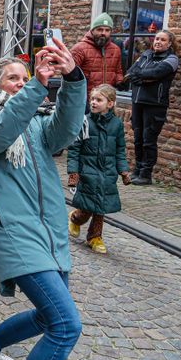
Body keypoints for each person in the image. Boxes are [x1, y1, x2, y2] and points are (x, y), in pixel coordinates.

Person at [0, 40, 86, 360]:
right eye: (13, 78)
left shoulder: (39, 122)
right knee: (65, 325)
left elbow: (69, 129)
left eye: (25, 77)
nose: (21, 82)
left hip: (51, 232)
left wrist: (73, 77)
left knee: (48, 318)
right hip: (13, 232)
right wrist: (36, 87)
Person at [67, 84, 130, 254]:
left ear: (110, 104)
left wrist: (123, 170)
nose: (93, 102)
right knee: (87, 208)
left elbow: (120, 150)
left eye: (98, 100)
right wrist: (73, 172)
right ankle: (75, 218)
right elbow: (74, 149)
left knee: (100, 207)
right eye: (92, 99)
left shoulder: (116, 125)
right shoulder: (85, 122)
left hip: (107, 173)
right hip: (87, 171)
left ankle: (95, 237)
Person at [126, 30, 180, 185]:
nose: (158, 42)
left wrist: (142, 76)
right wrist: (144, 77)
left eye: (163, 40)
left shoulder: (172, 59)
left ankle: (146, 174)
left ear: (169, 43)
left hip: (155, 105)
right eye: (156, 38)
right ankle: (137, 169)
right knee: (138, 139)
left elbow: (157, 73)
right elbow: (131, 72)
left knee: (148, 140)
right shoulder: (146, 55)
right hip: (138, 102)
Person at [70, 12, 123, 98]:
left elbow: (118, 71)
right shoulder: (79, 49)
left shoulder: (116, 49)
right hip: (85, 99)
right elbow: (70, 76)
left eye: (107, 30)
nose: (103, 33)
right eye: (100, 29)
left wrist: (120, 82)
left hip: (106, 100)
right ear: (92, 30)